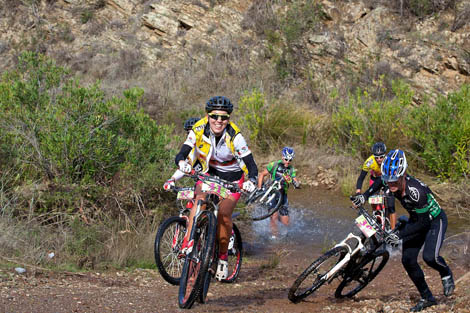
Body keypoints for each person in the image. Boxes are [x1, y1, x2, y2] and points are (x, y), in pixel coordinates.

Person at [351, 149, 454, 312]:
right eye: (388, 180)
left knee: (430, 257)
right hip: (417, 219)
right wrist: (364, 196)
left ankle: (446, 272)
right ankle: (427, 298)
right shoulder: (390, 179)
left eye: (394, 181)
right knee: (408, 260)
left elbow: (423, 224)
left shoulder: (416, 193)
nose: (390, 184)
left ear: (403, 174)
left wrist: (398, 235)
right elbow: (379, 183)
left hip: (434, 221)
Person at [174, 96, 258, 281]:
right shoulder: (198, 129)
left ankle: (222, 258)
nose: (219, 121)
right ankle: (189, 242)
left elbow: (251, 165)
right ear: (207, 116)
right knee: (199, 199)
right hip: (211, 173)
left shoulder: (235, 136)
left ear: (229, 118)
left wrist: (251, 180)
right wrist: (181, 162)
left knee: (223, 215)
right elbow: (183, 151)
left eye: (224, 117)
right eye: (215, 116)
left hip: (233, 179)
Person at [257, 147, 300, 239]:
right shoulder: (274, 165)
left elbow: (294, 179)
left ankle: (286, 236)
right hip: (272, 193)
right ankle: (274, 237)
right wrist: (259, 188)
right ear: (282, 157)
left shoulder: (291, 169)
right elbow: (262, 175)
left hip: (283, 195)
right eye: (286, 159)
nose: (288, 161)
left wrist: (296, 183)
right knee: (274, 217)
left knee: (286, 222)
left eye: (290, 160)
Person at [355, 142, 396, 229]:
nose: (379, 159)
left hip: (386, 180)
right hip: (375, 180)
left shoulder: (389, 160)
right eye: (376, 157)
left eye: (381, 157)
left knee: (389, 202)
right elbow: (361, 178)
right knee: (375, 204)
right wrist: (358, 191)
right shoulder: (369, 162)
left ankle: (389, 225)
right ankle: (376, 217)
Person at [163, 117, 201, 191]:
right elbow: (183, 168)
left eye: (194, 133)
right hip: (202, 185)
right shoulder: (190, 152)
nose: (191, 135)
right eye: (188, 133)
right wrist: (172, 179)